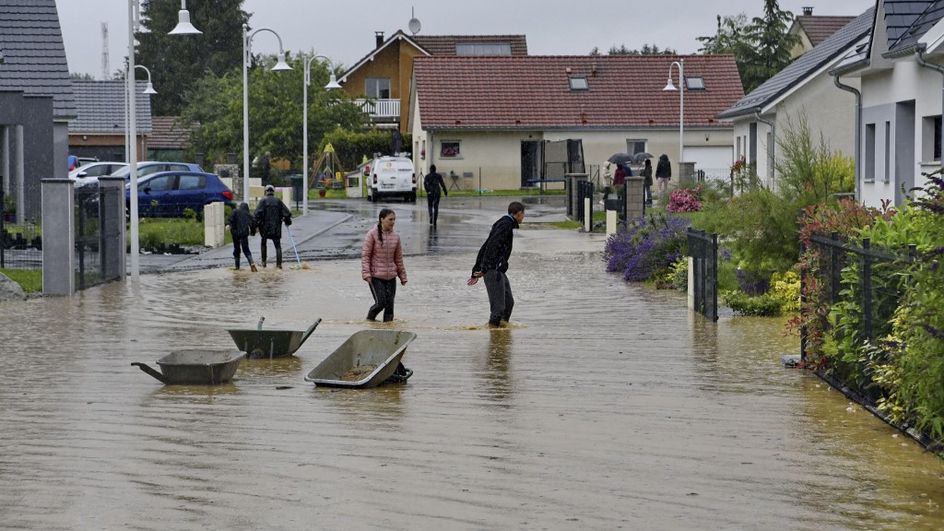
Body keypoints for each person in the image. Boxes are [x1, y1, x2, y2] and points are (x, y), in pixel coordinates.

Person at [468, 201, 525, 328]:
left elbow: (486, 244)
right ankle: (494, 338)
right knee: (498, 309)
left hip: (498, 270)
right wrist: (482, 269)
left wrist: (477, 269)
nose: (523, 217)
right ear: (519, 213)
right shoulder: (505, 224)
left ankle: (502, 335)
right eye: (523, 214)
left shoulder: (506, 224)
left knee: (509, 303)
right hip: (492, 270)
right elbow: (491, 245)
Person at [361, 208, 407, 322]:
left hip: (391, 276)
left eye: (394, 219)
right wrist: (366, 273)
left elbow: (398, 259)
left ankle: (388, 331)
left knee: (390, 307)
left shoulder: (396, 237)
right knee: (380, 303)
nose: (393, 222)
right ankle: (369, 322)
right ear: (382, 219)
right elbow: (366, 255)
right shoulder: (372, 234)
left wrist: (403, 276)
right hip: (376, 276)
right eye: (390, 219)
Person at [254, 184, 292, 269]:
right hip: (276, 228)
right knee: (278, 246)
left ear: (266, 192)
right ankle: (279, 264)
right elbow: (287, 213)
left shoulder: (263, 201)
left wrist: (255, 226)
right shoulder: (278, 201)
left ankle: (263, 263)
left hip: (264, 228)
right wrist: (287, 221)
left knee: (263, 244)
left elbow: (256, 214)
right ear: (273, 192)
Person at [227, 202, 258, 272]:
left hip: (235, 234)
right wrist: (253, 232)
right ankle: (252, 263)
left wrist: (228, 225)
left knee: (237, 250)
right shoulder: (248, 214)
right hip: (244, 234)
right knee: (246, 250)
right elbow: (253, 223)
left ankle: (237, 267)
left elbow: (230, 220)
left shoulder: (235, 211)